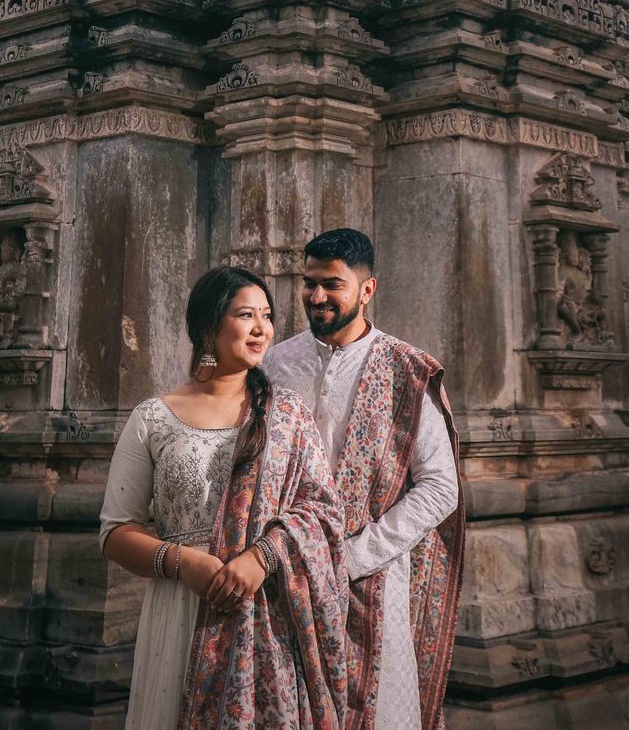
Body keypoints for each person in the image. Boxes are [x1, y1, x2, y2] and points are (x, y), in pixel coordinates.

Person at [99, 265, 348, 729]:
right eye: (247, 315)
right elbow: (115, 533)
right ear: (211, 325)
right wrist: (184, 562)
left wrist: (263, 557)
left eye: (268, 316)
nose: (262, 329)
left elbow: (323, 513)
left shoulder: (286, 414)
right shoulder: (153, 418)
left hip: (265, 615)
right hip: (180, 611)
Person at [263, 229, 464, 730]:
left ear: (367, 289)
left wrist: (353, 557)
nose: (316, 296)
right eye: (308, 283)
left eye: (332, 284)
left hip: (372, 577)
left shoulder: (406, 370)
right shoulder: (274, 363)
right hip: (283, 576)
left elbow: (441, 486)